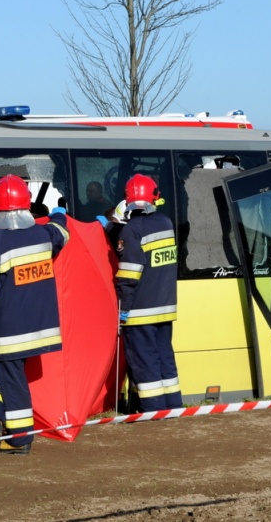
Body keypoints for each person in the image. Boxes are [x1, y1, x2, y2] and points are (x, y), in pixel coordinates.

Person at [0, 175, 69, 455]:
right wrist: (59, 214)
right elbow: (60, 233)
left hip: (6, 333)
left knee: (10, 381)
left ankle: (19, 439)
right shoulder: (43, 235)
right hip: (40, 328)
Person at [115, 174, 181, 411]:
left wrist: (122, 310)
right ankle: (172, 407)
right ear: (155, 197)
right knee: (165, 360)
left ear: (127, 198)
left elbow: (129, 276)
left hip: (140, 312)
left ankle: (153, 412)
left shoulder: (132, 230)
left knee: (145, 363)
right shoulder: (166, 223)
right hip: (165, 308)